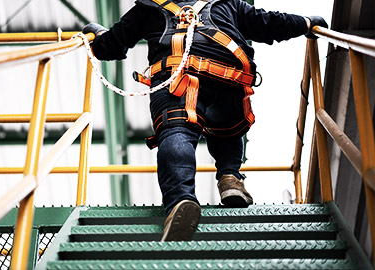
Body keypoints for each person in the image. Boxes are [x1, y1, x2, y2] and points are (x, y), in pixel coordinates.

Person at [82, 0, 328, 242]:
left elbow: (111, 46)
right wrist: (306, 24)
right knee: (227, 130)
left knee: (176, 132)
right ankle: (230, 177)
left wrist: (96, 34)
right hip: (230, 78)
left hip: (177, 79)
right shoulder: (227, 4)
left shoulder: (148, 8)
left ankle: (180, 201)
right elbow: (269, 22)